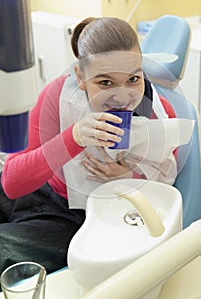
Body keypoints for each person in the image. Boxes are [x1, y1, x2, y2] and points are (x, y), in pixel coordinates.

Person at [0, 16, 177, 275]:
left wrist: (129, 177)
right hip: (39, 189)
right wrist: (73, 137)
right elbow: (13, 183)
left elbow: (162, 192)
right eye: (104, 82)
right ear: (80, 77)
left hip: (79, 218)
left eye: (133, 79)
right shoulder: (58, 96)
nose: (121, 96)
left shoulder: (160, 116)